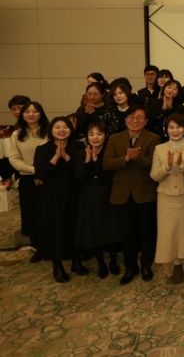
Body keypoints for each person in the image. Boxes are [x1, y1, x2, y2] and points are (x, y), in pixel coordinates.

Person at [102, 105, 160, 284]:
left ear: (146, 121)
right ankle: (130, 267)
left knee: (147, 232)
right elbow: (106, 163)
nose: (135, 121)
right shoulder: (114, 138)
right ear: (125, 120)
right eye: (131, 117)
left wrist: (138, 158)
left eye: (140, 117)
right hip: (122, 193)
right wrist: (126, 159)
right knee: (127, 234)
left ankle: (146, 266)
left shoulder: (154, 138)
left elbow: (154, 162)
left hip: (145, 192)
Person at [150, 114, 184, 284]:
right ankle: (177, 266)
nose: (175, 131)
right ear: (166, 130)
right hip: (166, 197)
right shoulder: (159, 149)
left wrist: (182, 165)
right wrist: (167, 166)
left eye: (179, 127)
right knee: (170, 233)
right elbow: (154, 176)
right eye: (171, 127)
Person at [34, 116, 84, 283]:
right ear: (51, 130)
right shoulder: (42, 149)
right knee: (55, 228)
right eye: (57, 127)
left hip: (74, 193)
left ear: (71, 129)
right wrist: (56, 157)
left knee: (75, 226)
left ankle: (76, 260)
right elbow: (41, 174)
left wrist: (67, 157)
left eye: (65, 127)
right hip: (52, 196)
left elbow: (80, 172)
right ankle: (57, 264)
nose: (62, 130)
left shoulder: (79, 147)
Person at [74, 123, 119, 279]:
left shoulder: (110, 151)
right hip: (89, 197)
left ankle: (113, 261)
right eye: (91, 134)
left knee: (111, 229)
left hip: (108, 194)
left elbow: (108, 176)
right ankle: (101, 263)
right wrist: (88, 161)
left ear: (105, 136)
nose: (95, 137)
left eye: (99, 134)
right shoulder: (82, 153)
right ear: (87, 137)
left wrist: (96, 160)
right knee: (93, 231)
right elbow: (79, 177)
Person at [8, 101, 48, 262]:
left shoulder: (49, 131)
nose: (31, 114)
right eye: (27, 112)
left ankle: (51, 245)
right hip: (27, 178)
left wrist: (44, 171)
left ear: (41, 113)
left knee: (49, 212)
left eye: (35, 111)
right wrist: (34, 170)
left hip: (49, 177)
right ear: (22, 115)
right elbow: (14, 158)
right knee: (31, 214)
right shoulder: (17, 134)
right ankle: (37, 247)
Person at [0, 95, 30, 183]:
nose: (17, 111)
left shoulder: (31, 123)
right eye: (14, 109)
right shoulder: (17, 125)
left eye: (20, 108)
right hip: (18, 159)